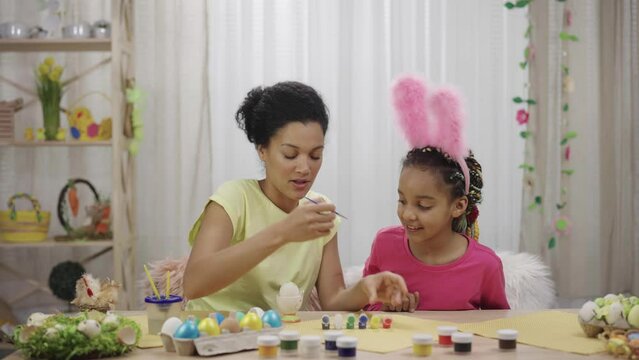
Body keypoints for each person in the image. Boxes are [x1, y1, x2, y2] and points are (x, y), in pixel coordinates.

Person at [183, 81, 408, 312]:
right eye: (290, 155)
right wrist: (283, 232)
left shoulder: (319, 212)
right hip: (211, 335)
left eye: (315, 155)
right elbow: (193, 284)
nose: (304, 168)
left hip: (277, 340)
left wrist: (365, 288)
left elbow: (333, 300)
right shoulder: (234, 199)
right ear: (262, 150)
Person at [363, 76, 510, 311]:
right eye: (402, 200)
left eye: (423, 205)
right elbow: (365, 307)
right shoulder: (384, 244)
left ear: (458, 206)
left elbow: (497, 326)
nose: (408, 214)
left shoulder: (486, 265)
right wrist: (387, 307)